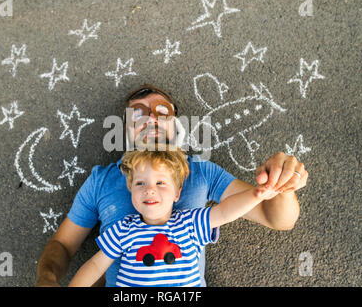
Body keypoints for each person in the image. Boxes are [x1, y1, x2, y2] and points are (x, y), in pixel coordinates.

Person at [36, 84, 307, 287]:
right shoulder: (102, 180)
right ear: (125, 130)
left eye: (161, 112)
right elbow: (64, 244)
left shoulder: (200, 171)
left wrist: (279, 185)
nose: (151, 119)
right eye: (138, 115)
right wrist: (47, 279)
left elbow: (278, 219)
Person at [68, 147, 281, 287]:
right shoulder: (123, 229)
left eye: (160, 183)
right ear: (130, 191)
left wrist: (256, 195)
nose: (149, 190)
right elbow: (96, 266)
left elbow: (225, 212)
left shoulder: (190, 223)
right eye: (140, 183)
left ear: (177, 193)